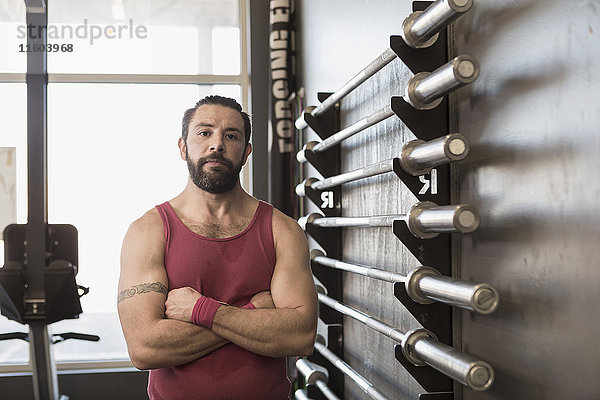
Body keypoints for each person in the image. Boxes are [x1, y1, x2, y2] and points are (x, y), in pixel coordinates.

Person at [117, 95, 318, 400]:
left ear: (246, 152)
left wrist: (199, 310)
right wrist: (254, 312)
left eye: (231, 136)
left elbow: (300, 335)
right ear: (183, 147)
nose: (217, 145)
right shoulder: (148, 231)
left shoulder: (282, 230)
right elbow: (145, 348)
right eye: (204, 132)